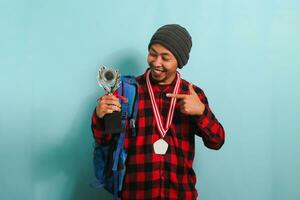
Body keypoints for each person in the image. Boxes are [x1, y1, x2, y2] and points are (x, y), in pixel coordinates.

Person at [91, 24, 225, 199]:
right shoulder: (127, 91)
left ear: (180, 61)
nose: (156, 62)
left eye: (165, 57)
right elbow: (104, 139)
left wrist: (201, 112)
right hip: (136, 193)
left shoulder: (193, 95)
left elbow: (217, 141)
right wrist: (100, 116)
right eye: (152, 53)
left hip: (180, 194)